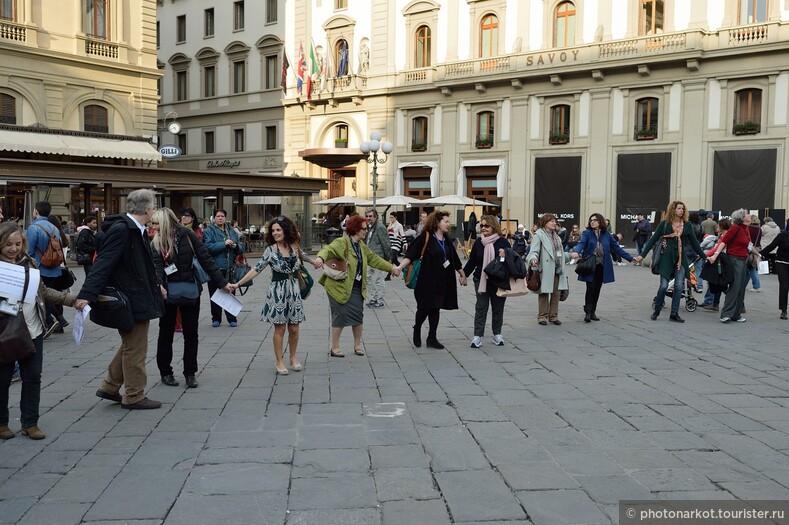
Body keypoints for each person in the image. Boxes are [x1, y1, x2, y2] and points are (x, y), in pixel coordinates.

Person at [74, 189, 165, 410]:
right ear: (147, 209)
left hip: (136, 296)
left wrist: (156, 285)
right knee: (136, 348)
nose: (154, 210)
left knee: (130, 344)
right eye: (153, 205)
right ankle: (134, 395)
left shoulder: (135, 229)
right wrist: (86, 294)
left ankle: (110, 386)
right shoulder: (123, 230)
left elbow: (138, 265)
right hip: (130, 299)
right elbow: (103, 263)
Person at [0, 223, 77, 440]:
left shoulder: (30, 262)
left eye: (17, 244)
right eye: (8, 245)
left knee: (33, 377)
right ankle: (1, 423)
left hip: (32, 329)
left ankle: (30, 423)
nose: (13, 249)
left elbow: (42, 291)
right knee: (3, 379)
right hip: (4, 331)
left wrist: (72, 300)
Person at [151, 208, 231, 389]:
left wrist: (222, 283)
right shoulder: (156, 242)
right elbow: (155, 267)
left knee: (191, 333)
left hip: (190, 289)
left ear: (166, 222)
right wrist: (159, 285)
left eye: (156, 223)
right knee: (165, 333)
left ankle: (190, 373)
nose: (153, 226)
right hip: (167, 292)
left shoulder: (187, 235)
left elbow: (205, 259)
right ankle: (166, 372)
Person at [230, 216, 308, 374]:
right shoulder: (270, 251)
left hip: (294, 291)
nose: (275, 233)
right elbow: (256, 269)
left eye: (278, 230)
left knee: (294, 328)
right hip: (278, 292)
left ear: (286, 230)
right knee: (280, 328)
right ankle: (279, 361)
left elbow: (304, 256)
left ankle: (293, 357)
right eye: (273, 231)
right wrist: (238, 284)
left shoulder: (294, 246)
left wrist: (318, 261)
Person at [314, 216, 398, 357]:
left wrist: (391, 268)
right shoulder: (342, 242)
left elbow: (374, 259)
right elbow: (328, 250)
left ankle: (358, 345)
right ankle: (335, 347)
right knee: (340, 315)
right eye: (364, 228)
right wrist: (320, 258)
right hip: (338, 286)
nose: (366, 231)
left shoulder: (362, 246)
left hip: (357, 287)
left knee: (357, 316)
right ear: (356, 229)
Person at [398, 211, 466, 348]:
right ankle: (417, 328)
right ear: (437, 222)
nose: (448, 224)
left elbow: (454, 258)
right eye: (445, 221)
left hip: (443, 280)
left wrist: (462, 273)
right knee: (424, 308)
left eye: (448, 221)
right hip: (426, 281)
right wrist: (399, 267)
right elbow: (411, 254)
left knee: (436, 308)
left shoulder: (446, 240)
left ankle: (432, 338)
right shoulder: (425, 237)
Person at [635, 201, 709, 323]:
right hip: (666, 258)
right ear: (673, 210)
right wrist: (641, 256)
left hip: (681, 259)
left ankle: (674, 314)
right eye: (679, 208)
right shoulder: (665, 224)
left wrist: (705, 256)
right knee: (664, 286)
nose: (681, 210)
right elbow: (652, 240)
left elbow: (695, 243)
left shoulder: (687, 225)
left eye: (682, 209)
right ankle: (657, 309)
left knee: (679, 286)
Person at [571, 214, 634, 322]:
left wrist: (631, 258)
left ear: (600, 221)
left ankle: (593, 311)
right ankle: (588, 312)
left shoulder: (607, 234)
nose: (592, 222)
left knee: (597, 288)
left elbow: (617, 248)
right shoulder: (587, 233)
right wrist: (576, 251)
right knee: (590, 288)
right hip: (590, 265)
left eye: (595, 220)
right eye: (591, 220)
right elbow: (581, 244)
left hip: (602, 266)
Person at [462, 215, 509, 348]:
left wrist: (505, 255)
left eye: (486, 226)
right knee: (481, 307)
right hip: (481, 278)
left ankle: (497, 333)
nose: (483, 228)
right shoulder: (478, 242)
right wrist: (464, 274)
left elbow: (512, 260)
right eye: (481, 225)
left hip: (498, 280)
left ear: (494, 226)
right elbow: (472, 261)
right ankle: (477, 336)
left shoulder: (503, 242)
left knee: (498, 307)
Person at [708, 209, 762, 323]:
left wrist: (757, 254)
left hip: (744, 260)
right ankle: (726, 314)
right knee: (735, 287)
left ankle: (736, 314)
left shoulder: (746, 228)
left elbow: (748, 245)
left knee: (741, 288)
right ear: (742, 217)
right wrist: (715, 255)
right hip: (734, 260)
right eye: (747, 214)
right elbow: (723, 242)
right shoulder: (735, 228)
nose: (749, 215)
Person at [25, 201, 65, 336]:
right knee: (47, 295)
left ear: (36, 211)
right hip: (53, 267)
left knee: (38, 296)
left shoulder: (33, 227)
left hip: (38, 267)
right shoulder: (54, 228)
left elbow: (29, 251)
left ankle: (47, 322)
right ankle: (51, 321)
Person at [526, 213, 571, 325]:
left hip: (557, 268)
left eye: (555, 221)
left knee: (556, 293)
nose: (554, 223)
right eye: (551, 221)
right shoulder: (539, 235)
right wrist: (533, 260)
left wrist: (570, 255)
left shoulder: (557, 237)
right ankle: (542, 316)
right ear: (545, 223)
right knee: (544, 293)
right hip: (545, 269)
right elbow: (533, 251)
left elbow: (558, 254)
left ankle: (553, 316)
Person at [203, 209, 244, 327]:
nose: (220, 218)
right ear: (214, 218)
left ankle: (232, 318)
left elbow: (241, 249)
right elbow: (208, 247)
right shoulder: (209, 231)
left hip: (230, 268)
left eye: (222, 216)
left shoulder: (231, 231)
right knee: (214, 294)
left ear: (225, 218)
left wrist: (236, 246)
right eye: (218, 216)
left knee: (230, 292)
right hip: (214, 268)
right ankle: (216, 318)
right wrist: (224, 244)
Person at [760, 223, 789, 320]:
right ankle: (783, 310)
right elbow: (772, 246)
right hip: (782, 262)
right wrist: (759, 254)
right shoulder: (782, 235)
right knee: (784, 286)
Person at [700, 218, 730, 312]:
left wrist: (705, 255)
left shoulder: (724, 236)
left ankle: (737, 302)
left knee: (718, 282)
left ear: (721, 227)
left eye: (718, 226)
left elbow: (717, 249)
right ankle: (714, 303)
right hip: (722, 259)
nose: (716, 227)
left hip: (722, 261)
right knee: (717, 282)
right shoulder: (723, 235)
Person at [364, 209, 391, 307]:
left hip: (379, 257)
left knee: (379, 279)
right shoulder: (370, 227)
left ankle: (379, 300)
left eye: (370, 216)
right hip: (370, 257)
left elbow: (386, 243)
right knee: (366, 276)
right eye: (367, 216)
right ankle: (375, 297)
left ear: (376, 217)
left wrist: (388, 258)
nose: (368, 218)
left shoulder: (380, 227)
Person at [745, 214, 762, 292]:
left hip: (750, 249)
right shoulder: (759, 229)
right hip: (758, 248)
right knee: (750, 267)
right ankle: (744, 285)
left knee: (751, 268)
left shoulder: (749, 228)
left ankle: (756, 286)